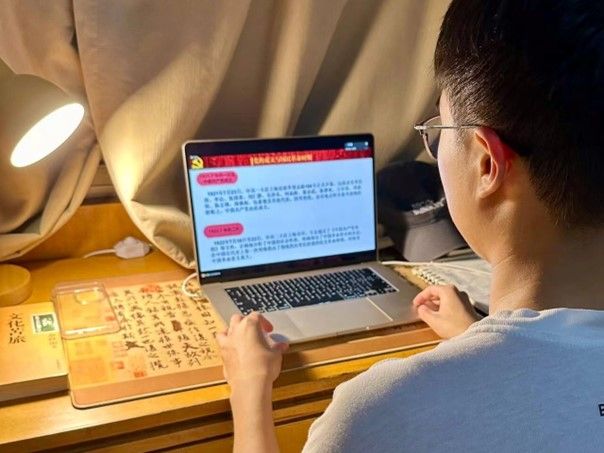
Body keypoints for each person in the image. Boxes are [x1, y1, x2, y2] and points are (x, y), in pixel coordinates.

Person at [216, 0, 604, 451]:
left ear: (486, 163)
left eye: (440, 130)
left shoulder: (381, 418)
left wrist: (248, 388)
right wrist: (477, 335)